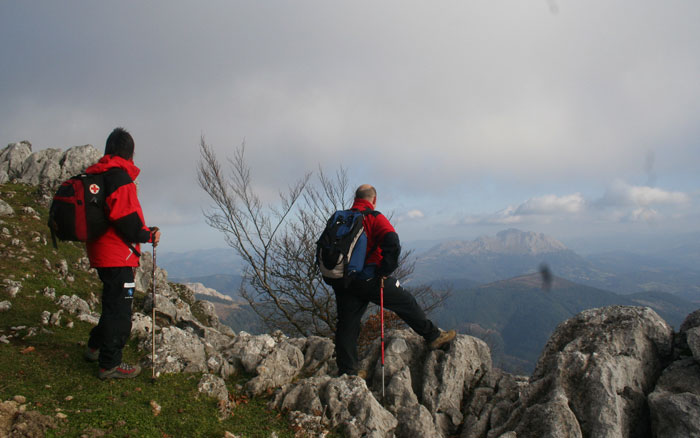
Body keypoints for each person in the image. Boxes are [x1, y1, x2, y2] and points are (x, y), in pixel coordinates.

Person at [329, 184, 455, 377]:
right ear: (374, 199)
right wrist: (384, 269)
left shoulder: (339, 218)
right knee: (405, 302)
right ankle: (433, 336)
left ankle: (348, 370)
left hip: (343, 280)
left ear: (355, 198)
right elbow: (393, 242)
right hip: (370, 278)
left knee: (347, 323)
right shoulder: (373, 217)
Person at [82, 127, 161, 379]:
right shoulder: (120, 178)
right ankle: (110, 364)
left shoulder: (97, 176)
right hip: (117, 255)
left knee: (112, 304)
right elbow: (127, 222)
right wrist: (148, 235)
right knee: (120, 312)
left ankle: (94, 347)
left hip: (101, 252)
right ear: (130, 154)